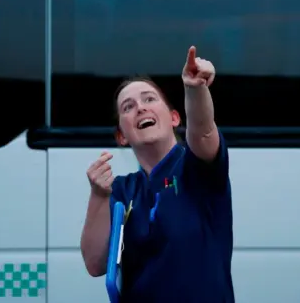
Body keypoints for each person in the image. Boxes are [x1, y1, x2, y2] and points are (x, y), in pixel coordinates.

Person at [80, 46, 235, 303]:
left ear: (174, 118)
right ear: (122, 135)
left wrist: (195, 88)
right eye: (128, 107)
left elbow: (203, 130)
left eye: (150, 99)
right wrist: (97, 195)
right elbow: (95, 264)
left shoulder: (197, 168)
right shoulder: (121, 189)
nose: (140, 108)